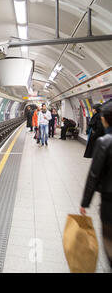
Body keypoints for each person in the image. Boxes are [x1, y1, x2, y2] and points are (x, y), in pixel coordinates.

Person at [80, 100, 112, 268]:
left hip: (109, 202)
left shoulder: (104, 142)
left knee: (109, 242)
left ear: (105, 119)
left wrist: (85, 203)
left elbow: (94, 176)